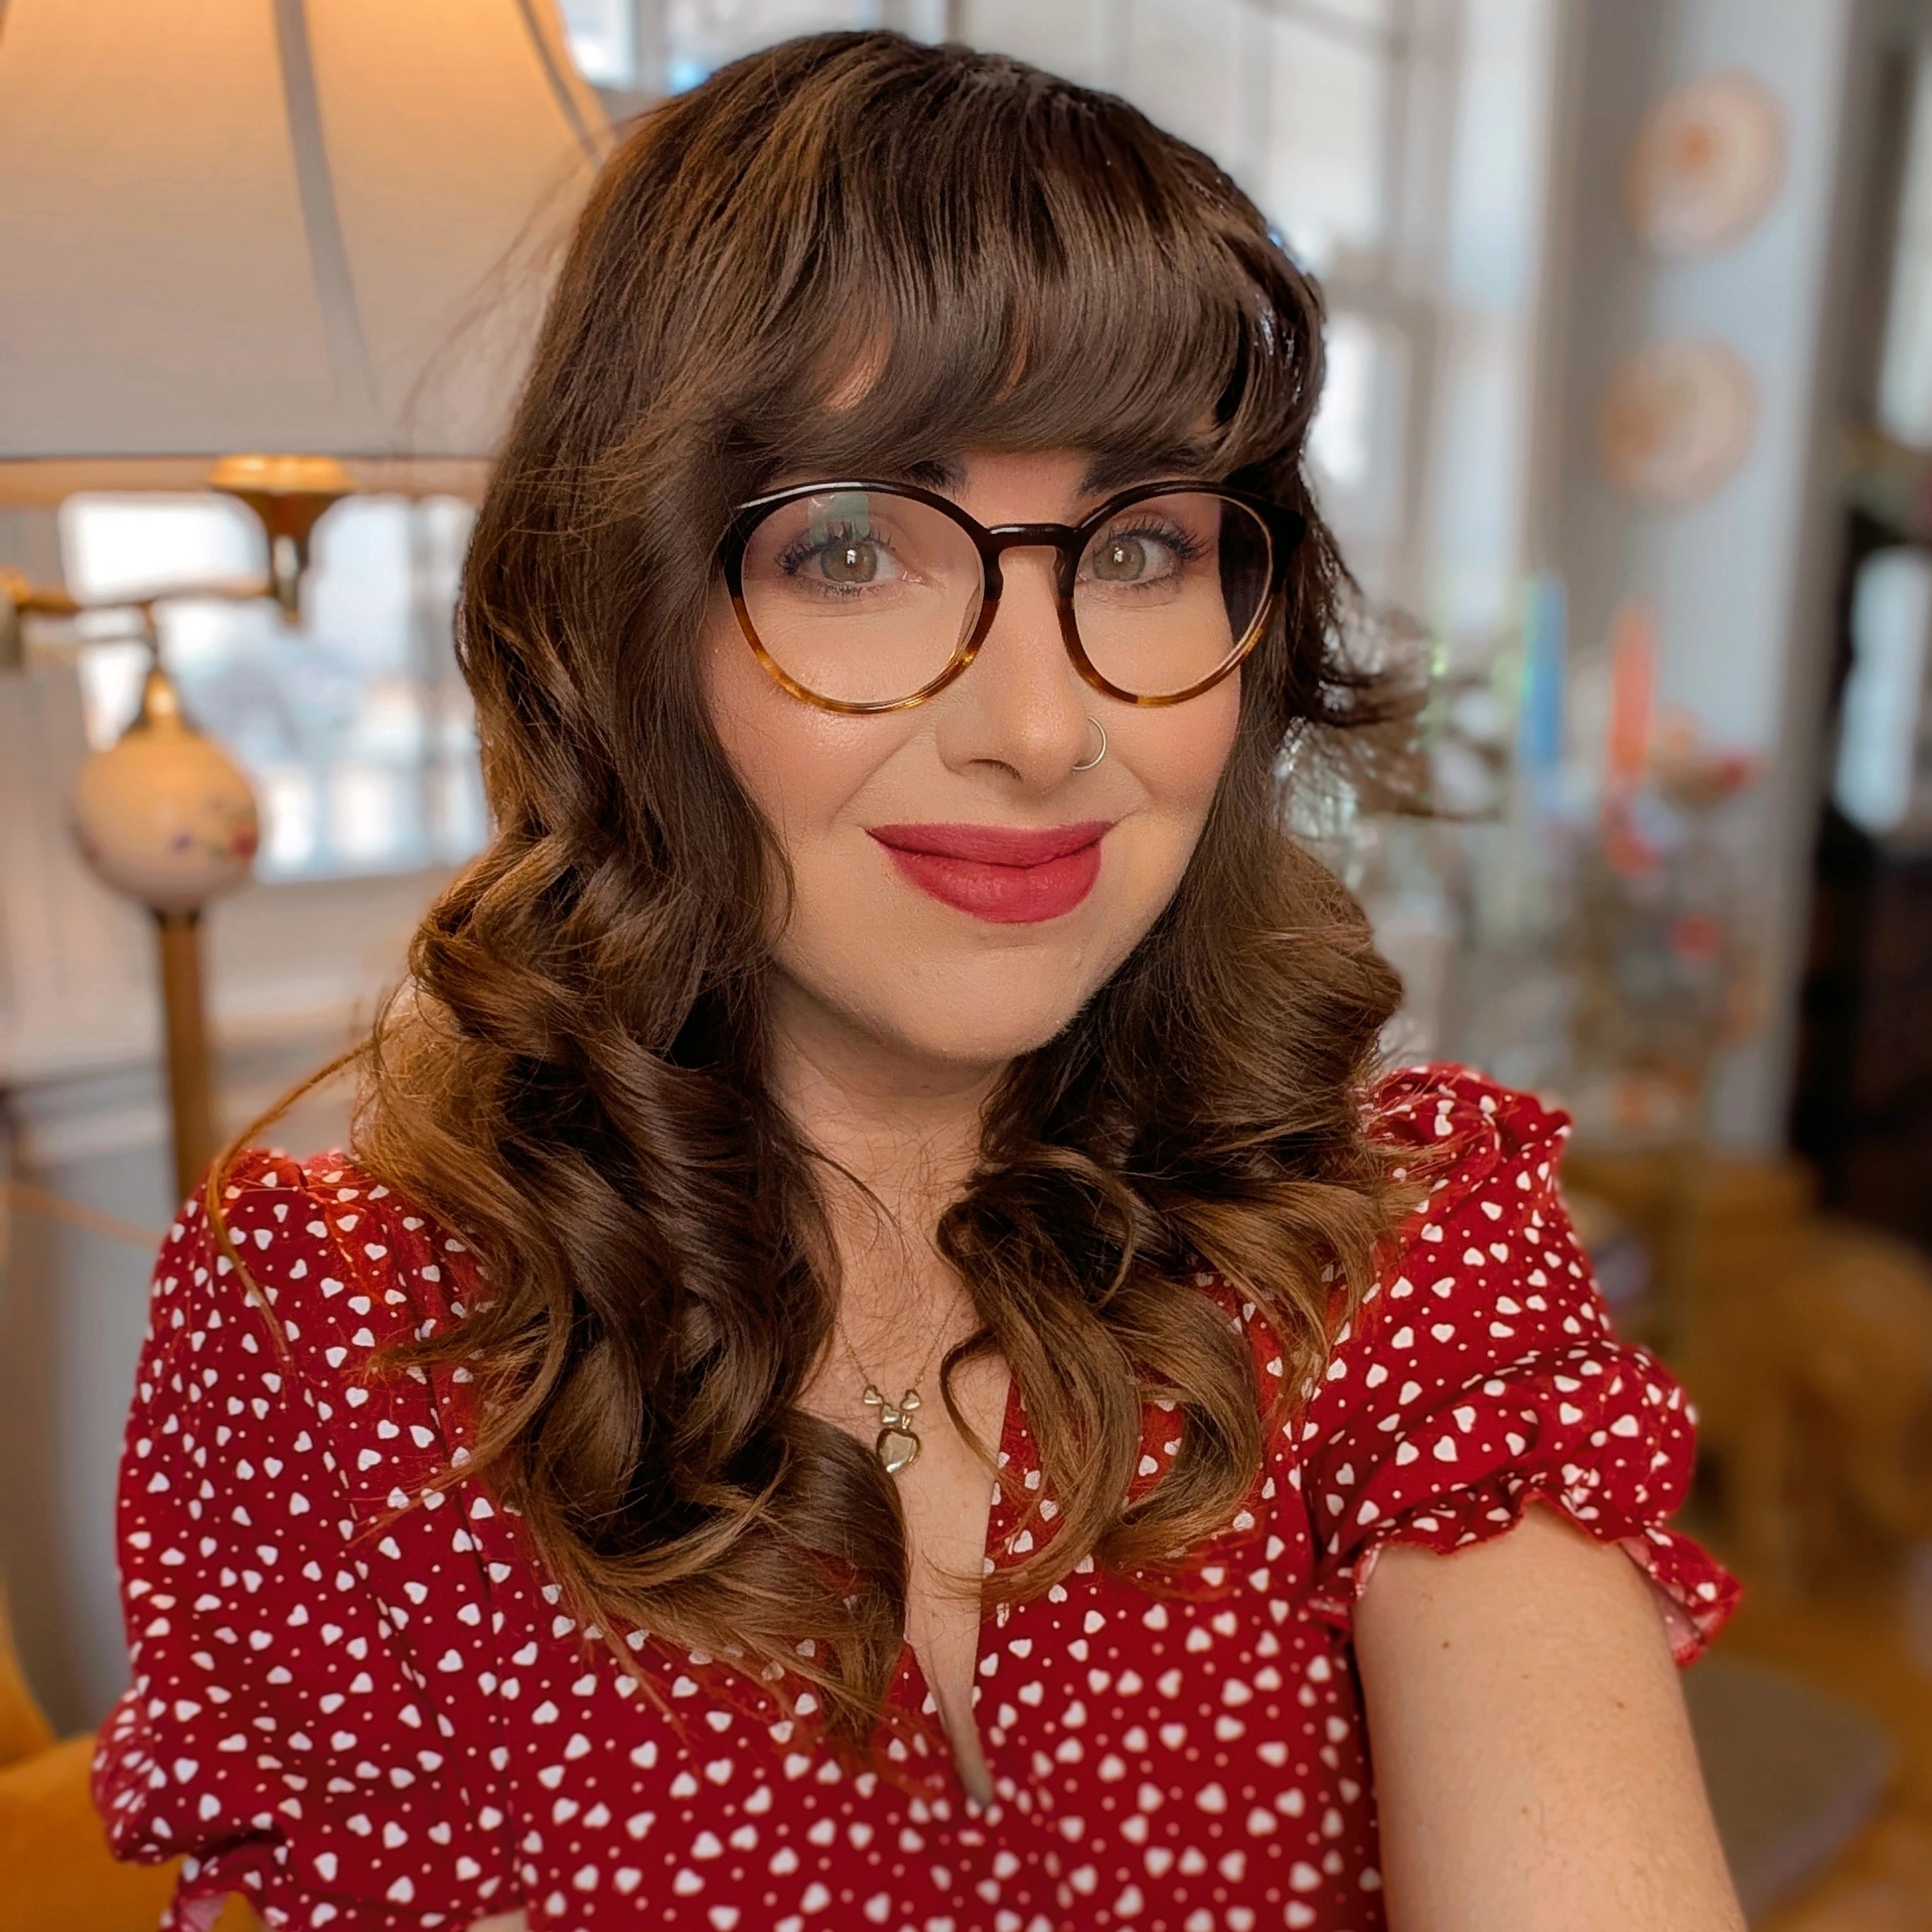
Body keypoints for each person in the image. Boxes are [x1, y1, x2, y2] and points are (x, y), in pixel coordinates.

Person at [95, 30, 1744, 1932]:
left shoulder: (1401, 1251)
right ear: (625, 618)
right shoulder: (338, 1336)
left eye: (1142, 544)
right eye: (853, 546)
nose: (1042, 729)